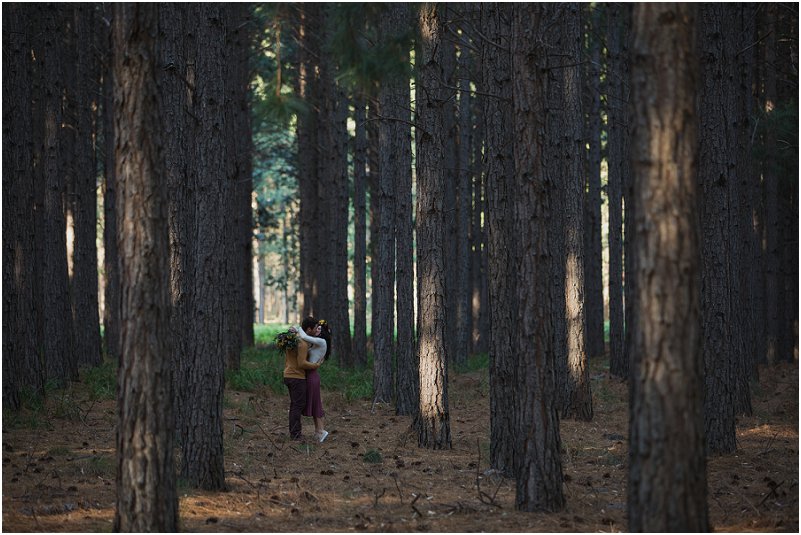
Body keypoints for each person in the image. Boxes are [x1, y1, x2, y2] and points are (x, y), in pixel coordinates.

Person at [282, 315, 322, 440]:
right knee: (297, 405)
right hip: (297, 377)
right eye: (315, 328)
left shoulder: (294, 338)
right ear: (309, 329)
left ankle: (295, 432)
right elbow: (302, 363)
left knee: (295, 404)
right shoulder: (302, 343)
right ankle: (295, 434)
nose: (317, 330)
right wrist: (316, 365)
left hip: (288, 374)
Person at [292, 318, 331, 443]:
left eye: (319, 329)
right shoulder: (318, 343)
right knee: (315, 404)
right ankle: (318, 431)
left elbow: (304, 335)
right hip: (310, 375)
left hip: (312, 375)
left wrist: (297, 328)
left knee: (316, 404)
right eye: (316, 328)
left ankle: (320, 431)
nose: (317, 330)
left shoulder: (321, 341)